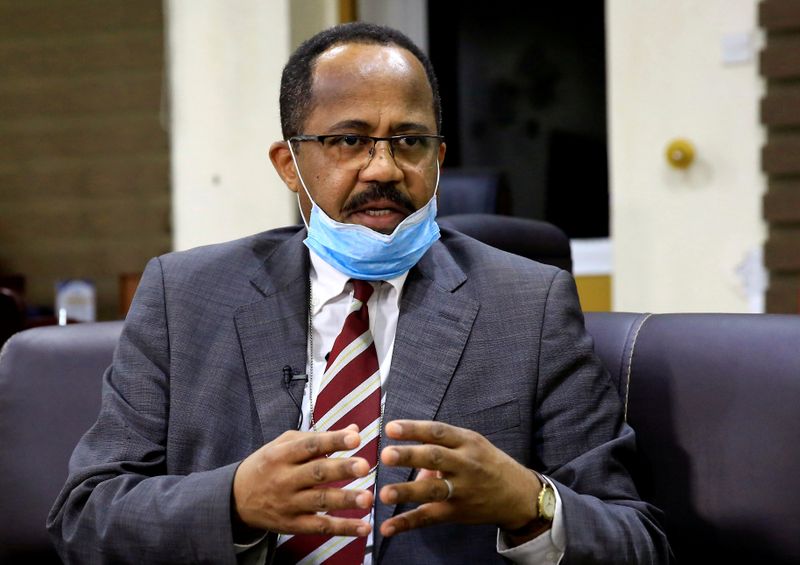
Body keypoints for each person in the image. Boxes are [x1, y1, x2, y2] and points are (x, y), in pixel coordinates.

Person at [48, 22, 670, 564]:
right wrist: (234, 501)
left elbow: (634, 540)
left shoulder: (528, 305)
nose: (382, 168)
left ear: (438, 157)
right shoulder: (183, 297)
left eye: (410, 141)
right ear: (289, 162)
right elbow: (85, 519)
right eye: (348, 140)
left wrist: (525, 502)